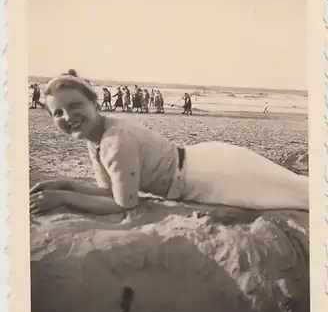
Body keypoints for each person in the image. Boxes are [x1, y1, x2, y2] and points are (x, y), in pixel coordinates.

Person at [30, 75, 309, 216]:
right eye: (58, 112)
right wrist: (67, 185)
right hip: (203, 163)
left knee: (305, 197)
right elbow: (110, 189)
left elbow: (124, 203)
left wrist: (64, 199)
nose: (68, 117)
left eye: (76, 105)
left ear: (95, 102)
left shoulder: (115, 141)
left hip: (212, 176)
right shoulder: (98, 135)